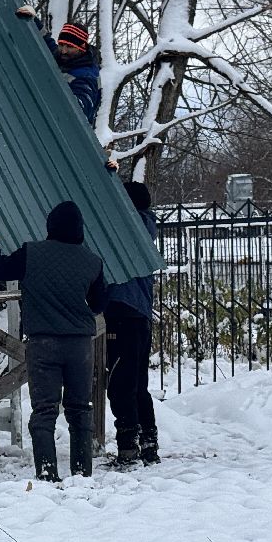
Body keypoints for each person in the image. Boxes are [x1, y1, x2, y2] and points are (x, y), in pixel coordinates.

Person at [0, 201, 108, 482]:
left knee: (44, 410)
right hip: (79, 346)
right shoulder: (92, 261)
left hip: (43, 343)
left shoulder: (31, 253)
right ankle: (82, 472)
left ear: (50, 226)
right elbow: (99, 303)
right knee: (79, 409)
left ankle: (47, 471)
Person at [106, 180, 160, 466]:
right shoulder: (145, 228)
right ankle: (149, 442)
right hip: (139, 314)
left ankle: (128, 445)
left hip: (121, 311)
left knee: (119, 383)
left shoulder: (127, 228)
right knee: (138, 383)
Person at [16, 5, 101, 126]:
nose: (63, 50)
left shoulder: (86, 76)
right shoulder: (62, 57)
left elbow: (80, 109)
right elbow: (44, 39)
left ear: (81, 48)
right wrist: (32, 18)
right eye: (61, 44)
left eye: (69, 47)